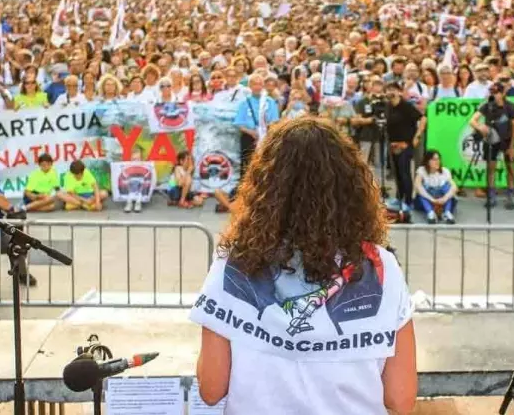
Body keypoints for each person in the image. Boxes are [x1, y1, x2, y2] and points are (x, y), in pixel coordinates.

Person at [191, 118, 416, 415]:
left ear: (264, 187)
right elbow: (400, 398)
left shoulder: (234, 264)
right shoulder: (381, 267)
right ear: (352, 186)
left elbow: (211, 388)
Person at [469, 82, 514, 210]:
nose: (494, 95)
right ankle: (491, 194)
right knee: (491, 168)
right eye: (492, 92)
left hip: (507, 140)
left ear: (503, 93)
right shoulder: (487, 105)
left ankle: (510, 195)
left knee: (510, 167)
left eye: (496, 92)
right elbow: (472, 120)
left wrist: (512, 146)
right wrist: (481, 127)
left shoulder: (511, 107)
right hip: (492, 140)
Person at [384, 82, 425, 209]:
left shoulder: (406, 106)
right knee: (396, 173)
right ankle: (399, 197)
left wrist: (417, 136)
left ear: (400, 92)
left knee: (405, 172)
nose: (391, 92)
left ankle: (408, 201)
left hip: (405, 144)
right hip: (392, 145)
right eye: (388, 90)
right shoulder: (388, 106)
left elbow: (423, 118)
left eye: (393, 90)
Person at [234, 73, 280, 178]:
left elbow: (275, 120)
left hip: (266, 137)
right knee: (247, 165)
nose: (257, 87)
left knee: (265, 164)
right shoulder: (244, 102)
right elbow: (239, 123)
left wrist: (265, 130)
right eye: (255, 84)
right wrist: (252, 132)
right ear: (250, 86)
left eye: (260, 84)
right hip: (249, 137)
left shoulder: (269, 101)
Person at [414, 149, 458, 224]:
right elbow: (417, 187)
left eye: (438, 159)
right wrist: (432, 200)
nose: (437, 162)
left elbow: (454, 187)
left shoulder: (445, 171)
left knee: (448, 187)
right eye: (434, 159)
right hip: (427, 200)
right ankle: (430, 213)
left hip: (442, 200)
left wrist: (444, 198)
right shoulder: (422, 170)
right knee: (421, 190)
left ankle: (447, 213)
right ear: (427, 161)